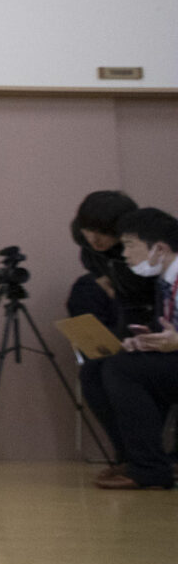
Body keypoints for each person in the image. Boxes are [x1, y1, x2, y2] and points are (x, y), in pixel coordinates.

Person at [93, 206, 178, 491]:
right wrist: (148, 339)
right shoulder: (166, 280)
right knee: (97, 369)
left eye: (130, 245)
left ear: (159, 248)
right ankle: (137, 459)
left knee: (123, 370)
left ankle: (150, 469)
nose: (125, 254)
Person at [67, 189, 154, 451]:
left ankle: (149, 458)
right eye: (88, 230)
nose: (95, 238)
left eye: (104, 232)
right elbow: (107, 285)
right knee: (93, 373)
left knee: (123, 372)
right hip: (128, 313)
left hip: (153, 318)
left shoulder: (142, 251)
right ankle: (126, 455)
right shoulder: (88, 247)